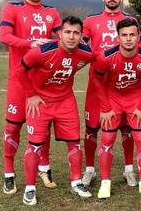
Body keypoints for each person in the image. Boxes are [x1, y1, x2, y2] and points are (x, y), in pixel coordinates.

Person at [16, 16, 94, 205]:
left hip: (66, 101)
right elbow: (20, 70)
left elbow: (101, 61)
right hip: (40, 102)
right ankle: (29, 188)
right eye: (67, 32)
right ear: (60, 33)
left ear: (82, 36)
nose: (71, 37)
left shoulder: (86, 53)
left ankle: (76, 182)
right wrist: (31, 95)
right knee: (34, 145)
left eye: (76, 33)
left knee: (74, 143)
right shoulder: (41, 51)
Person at [0, 0, 62, 194]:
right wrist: (31, 43)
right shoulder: (12, 8)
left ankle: (44, 168)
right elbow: (4, 36)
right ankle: (9, 173)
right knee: (13, 128)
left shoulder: (52, 12)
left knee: (42, 130)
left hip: (42, 84)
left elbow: (62, 39)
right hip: (18, 81)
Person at [92, 18, 141, 199]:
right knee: (107, 138)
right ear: (118, 37)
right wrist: (105, 108)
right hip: (113, 100)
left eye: (132, 35)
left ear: (139, 36)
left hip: (136, 101)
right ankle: (106, 182)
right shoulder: (106, 56)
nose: (128, 39)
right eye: (124, 35)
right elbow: (97, 80)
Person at [82, 0, 137, 187]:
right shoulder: (90, 21)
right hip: (96, 85)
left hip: (122, 85)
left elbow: (137, 51)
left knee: (126, 129)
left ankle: (129, 170)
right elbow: (81, 47)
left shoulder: (130, 21)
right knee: (91, 128)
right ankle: (89, 170)